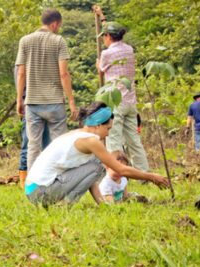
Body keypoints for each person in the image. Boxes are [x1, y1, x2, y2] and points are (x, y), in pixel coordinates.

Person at [25, 102, 170, 207]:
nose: (108, 133)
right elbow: (121, 169)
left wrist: (102, 204)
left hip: (32, 190)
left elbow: (88, 178)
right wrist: (152, 177)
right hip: (41, 192)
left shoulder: (76, 133)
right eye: (108, 128)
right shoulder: (91, 141)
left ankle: (65, 204)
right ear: (98, 125)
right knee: (97, 167)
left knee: (94, 167)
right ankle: (64, 205)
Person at [15, 8, 77, 170]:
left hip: (32, 102)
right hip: (55, 101)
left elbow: (21, 73)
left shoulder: (25, 41)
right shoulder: (59, 41)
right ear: (55, 24)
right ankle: (58, 179)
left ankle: (32, 185)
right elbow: (64, 74)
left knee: (33, 146)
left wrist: (19, 100)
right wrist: (71, 102)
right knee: (59, 145)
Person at [94, 6, 149, 172]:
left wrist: (98, 63)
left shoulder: (107, 54)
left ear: (109, 36)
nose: (103, 39)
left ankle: (115, 172)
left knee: (114, 140)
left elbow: (101, 69)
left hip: (116, 102)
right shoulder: (129, 49)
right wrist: (102, 16)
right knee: (134, 140)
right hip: (131, 101)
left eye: (104, 36)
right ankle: (142, 171)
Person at [14, 66, 50, 189]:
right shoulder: (21, 65)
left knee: (46, 144)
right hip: (29, 105)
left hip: (44, 104)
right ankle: (25, 180)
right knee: (28, 143)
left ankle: (43, 178)